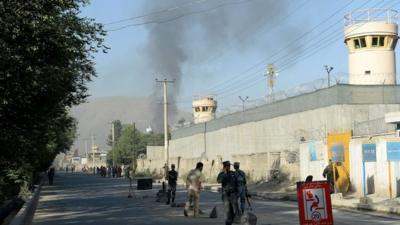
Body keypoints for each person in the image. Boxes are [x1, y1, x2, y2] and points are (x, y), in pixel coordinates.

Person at [217, 161, 239, 225]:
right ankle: (228, 222)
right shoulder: (221, 174)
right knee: (227, 209)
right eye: (227, 166)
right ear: (224, 167)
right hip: (225, 195)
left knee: (234, 209)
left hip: (233, 194)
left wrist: (237, 193)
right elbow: (219, 181)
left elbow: (237, 182)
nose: (229, 167)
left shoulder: (233, 173)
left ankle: (231, 219)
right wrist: (224, 173)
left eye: (229, 166)